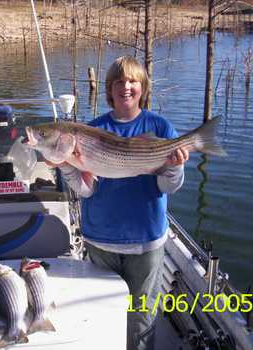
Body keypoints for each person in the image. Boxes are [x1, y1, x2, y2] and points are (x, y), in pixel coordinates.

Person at [56, 56, 189, 350]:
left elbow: (169, 186)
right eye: (119, 81)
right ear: (109, 88)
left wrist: (175, 167)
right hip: (101, 242)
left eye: (132, 81)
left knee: (141, 318)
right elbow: (85, 190)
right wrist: (66, 164)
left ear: (143, 87)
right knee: (104, 314)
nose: (126, 87)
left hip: (145, 241)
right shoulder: (90, 130)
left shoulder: (161, 127)